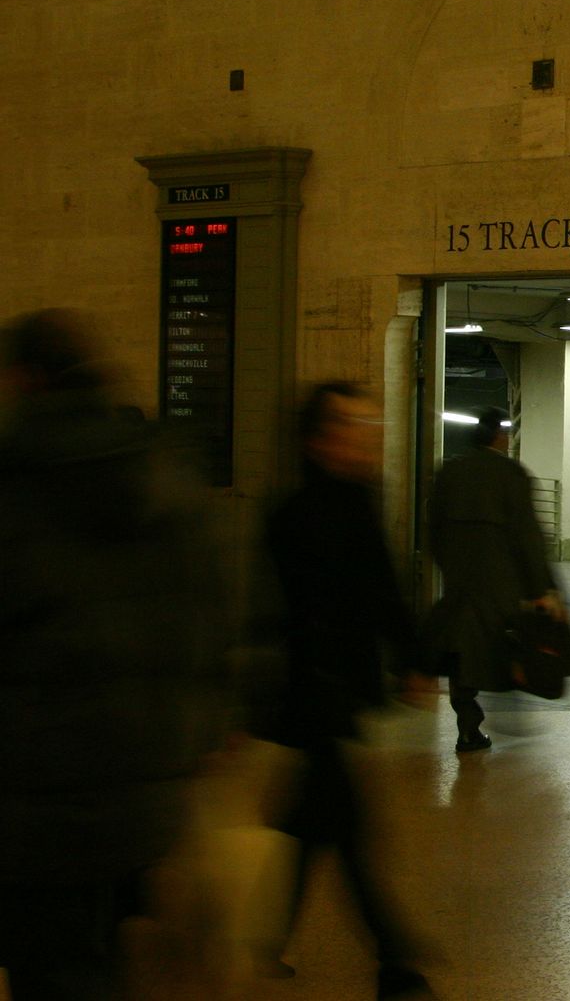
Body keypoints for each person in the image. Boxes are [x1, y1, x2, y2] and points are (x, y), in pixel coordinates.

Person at [0, 309, 228, 999]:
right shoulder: (163, 473)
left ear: (24, 380)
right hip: (143, 788)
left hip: (36, 795)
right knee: (96, 957)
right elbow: (210, 614)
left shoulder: (16, 482)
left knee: (57, 968)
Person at [256, 382, 435, 998]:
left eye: (369, 426)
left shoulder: (347, 503)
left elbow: (379, 591)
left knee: (314, 824)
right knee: (350, 830)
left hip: (325, 693)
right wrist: (407, 659)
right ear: (319, 439)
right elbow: (313, 610)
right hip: (315, 693)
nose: (367, 439)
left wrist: (410, 658)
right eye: (353, 427)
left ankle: (267, 936)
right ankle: (395, 962)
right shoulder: (300, 515)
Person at [425, 406, 569, 753]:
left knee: (464, 652)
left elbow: (433, 526)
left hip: (461, 581)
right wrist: (541, 589)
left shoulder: (450, 472)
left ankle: (468, 728)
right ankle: (512, 714)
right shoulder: (511, 474)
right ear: (499, 437)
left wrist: (448, 567)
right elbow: (528, 535)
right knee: (510, 644)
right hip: (503, 582)